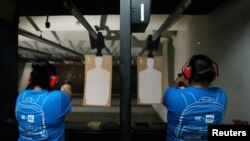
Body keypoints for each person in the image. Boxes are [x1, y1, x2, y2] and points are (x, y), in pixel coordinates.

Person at [163, 54, 227, 141]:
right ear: (214, 74)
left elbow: (165, 100)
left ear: (187, 73)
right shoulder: (222, 95)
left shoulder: (172, 94)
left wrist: (177, 83)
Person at [15, 61, 72, 141]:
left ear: (30, 78)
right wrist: (66, 87)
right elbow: (68, 96)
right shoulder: (59, 97)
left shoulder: (21, 96)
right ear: (53, 80)